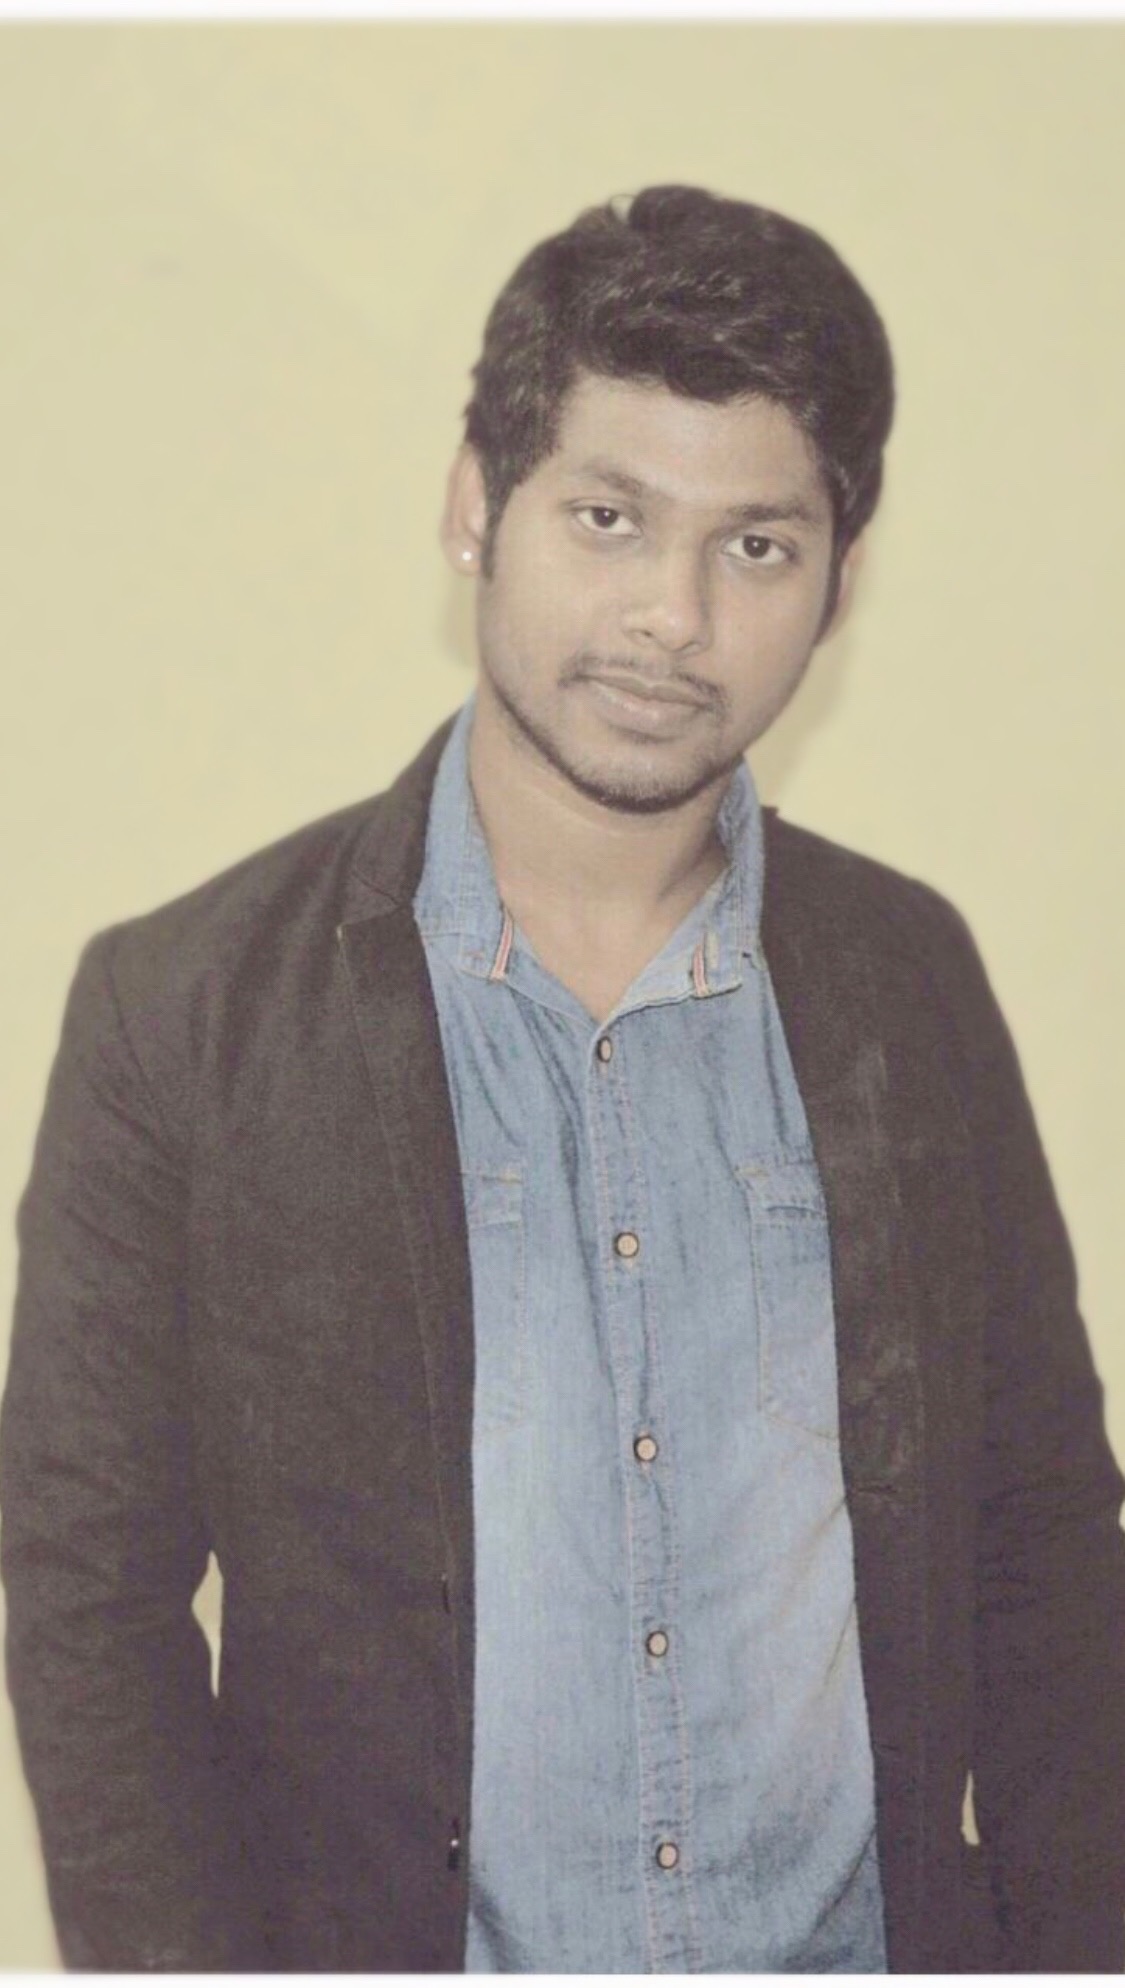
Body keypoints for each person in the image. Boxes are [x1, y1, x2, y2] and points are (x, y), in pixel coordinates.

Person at [2, 183, 1123, 1977]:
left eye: (754, 546)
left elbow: (1043, 1539)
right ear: (476, 505)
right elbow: (89, 1603)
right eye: (609, 518)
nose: (671, 615)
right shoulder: (185, 1014)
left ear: (840, 580)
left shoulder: (905, 981)